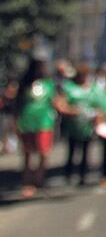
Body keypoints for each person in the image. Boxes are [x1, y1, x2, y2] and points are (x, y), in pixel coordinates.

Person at [14, 59, 57, 198]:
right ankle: (27, 182)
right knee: (28, 153)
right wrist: (16, 122)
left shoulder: (49, 85)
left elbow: (55, 102)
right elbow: (17, 104)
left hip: (44, 123)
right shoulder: (24, 85)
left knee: (44, 152)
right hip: (27, 122)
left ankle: (39, 180)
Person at [58, 64, 100, 186]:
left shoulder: (92, 88)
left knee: (86, 151)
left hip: (87, 125)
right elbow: (62, 104)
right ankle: (68, 174)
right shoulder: (69, 87)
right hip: (72, 125)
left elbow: (97, 106)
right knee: (72, 150)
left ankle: (82, 175)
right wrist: (72, 111)